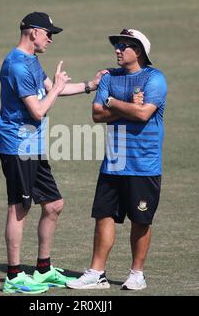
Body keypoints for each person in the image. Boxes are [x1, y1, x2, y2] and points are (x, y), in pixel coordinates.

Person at [0, 12, 107, 294]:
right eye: (48, 33)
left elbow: (49, 89)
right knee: (19, 208)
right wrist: (56, 89)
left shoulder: (32, 61)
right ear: (33, 32)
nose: (50, 39)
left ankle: (43, 270)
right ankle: (13, 276)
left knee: (54, 204)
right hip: (18, 146)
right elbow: (39, 110)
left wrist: (88, 86)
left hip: (33, 147)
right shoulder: (18, 66)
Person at [66, 29, 167, 290]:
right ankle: (96, 273)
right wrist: (127, 106)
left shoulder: (155, 79)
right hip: (114, 161)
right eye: (117, 45)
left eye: (124, 46)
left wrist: (113, 101)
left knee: (141, 220)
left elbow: (144, 114)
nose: (118, 50)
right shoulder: (110, 76)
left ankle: (137, 274)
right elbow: (97, 115)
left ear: (140, 51)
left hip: (144, 163)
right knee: (104, 215)